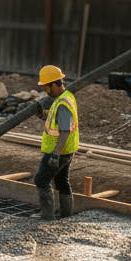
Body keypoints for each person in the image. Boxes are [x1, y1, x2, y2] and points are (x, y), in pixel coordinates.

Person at [35, 65, 79, 221]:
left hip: (59, 151)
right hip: (66, 150)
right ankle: (66, 215)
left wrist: (54, 154)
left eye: (46, 87)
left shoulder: (62, 104)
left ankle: (47, 216)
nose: (46, 91)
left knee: (41, 179)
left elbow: (65, 131)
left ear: (55, 84)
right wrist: (42, 115)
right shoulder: (65, 97)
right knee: (61, 181)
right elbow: (57, 120)